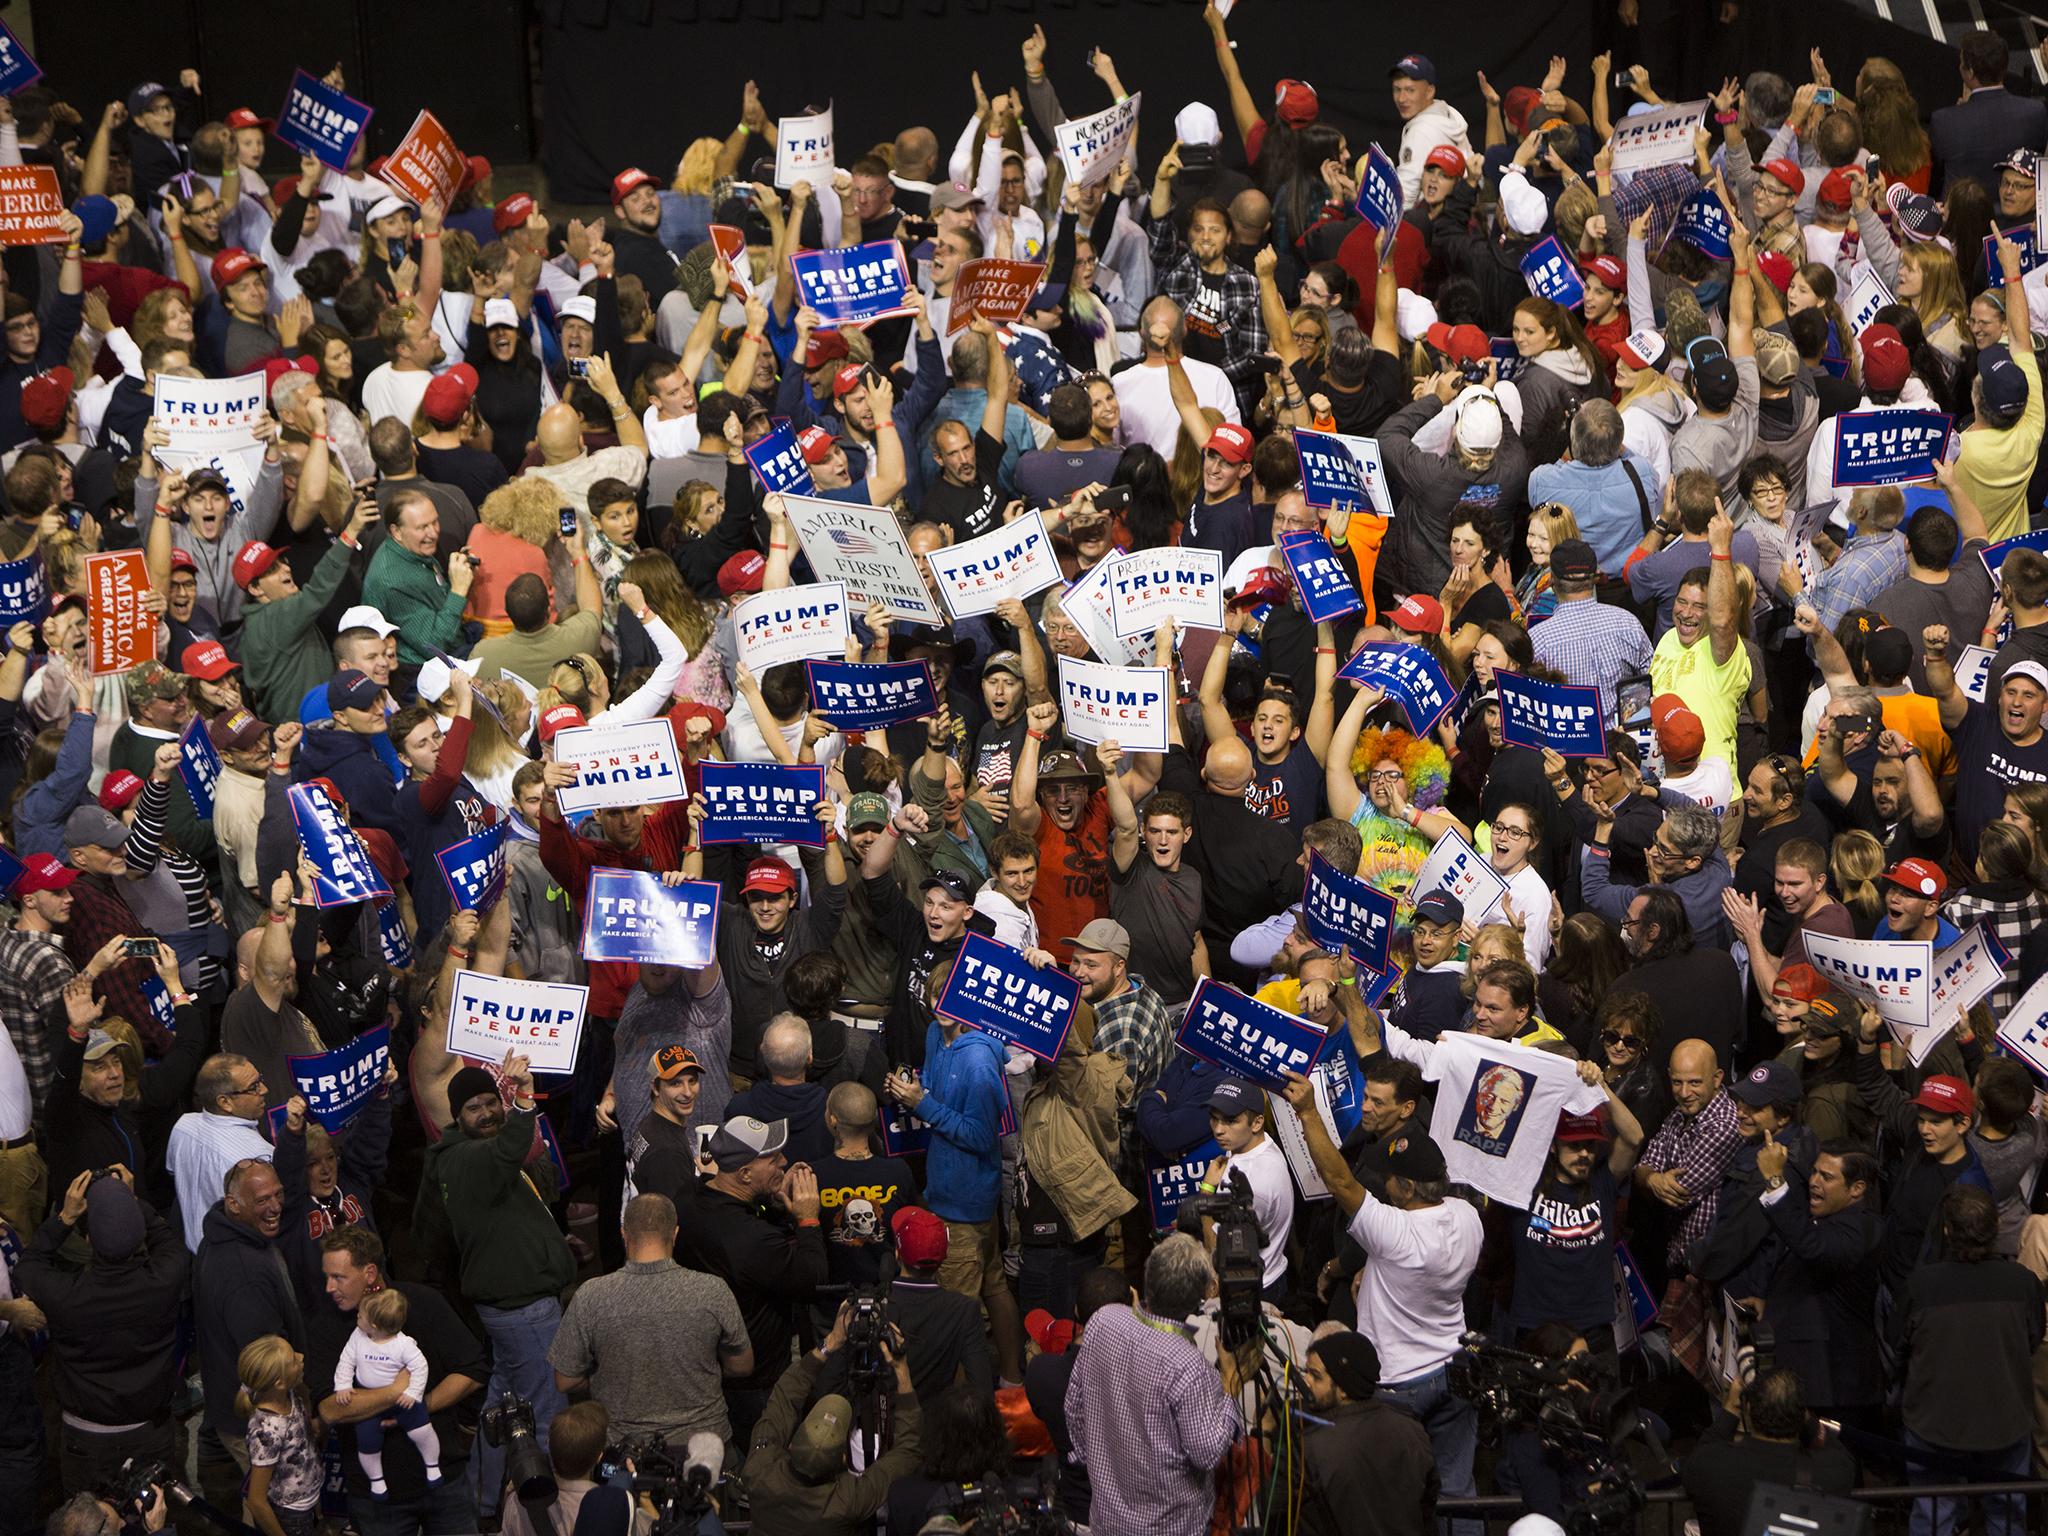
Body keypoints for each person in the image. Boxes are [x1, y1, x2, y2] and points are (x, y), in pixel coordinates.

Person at [1281, 1065, 1484, 1511]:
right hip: (1454, 1369)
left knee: (1394, 1496)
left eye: (1390, 1177)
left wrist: (1309, 1113)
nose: (1383, 1183)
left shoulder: (1395, 1233)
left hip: (1399, 1384)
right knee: (1457, 1494)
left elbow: (1339, 1181)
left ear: (1407, 1187)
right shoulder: (1467, 1218)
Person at [416, 1057, 572, 1512]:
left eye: (491, 1102)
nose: (485, 1112)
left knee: (502, 1411)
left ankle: (482, 1503)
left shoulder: (461, 1155)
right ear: (455, 1117)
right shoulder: (467, 1157)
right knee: (543, 1414)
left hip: (512, 1308)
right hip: (523, 1310)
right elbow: (509, 1149)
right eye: (473, 1108)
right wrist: (523, 1101)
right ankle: (543, 1513)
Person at [307, 1227, 487, 1536]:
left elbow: (473, 1370)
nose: (328, 1288)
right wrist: (395, 1392)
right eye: (327, 1276)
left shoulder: (423, 1302)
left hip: (445, 1480)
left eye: (339, 1277)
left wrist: (421, 1404)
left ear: (370, 1273)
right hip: (377, 1498)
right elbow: (330, 1410)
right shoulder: (326, 1326)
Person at [18, 1169, 188, 1493]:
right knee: (155, 1522)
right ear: (140, 1236)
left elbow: (29, 1266)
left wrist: (64, 1217)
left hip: (86, 1442)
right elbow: (168, 1241)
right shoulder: (166, 1278)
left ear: (88, 1240)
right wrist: (133, 1201)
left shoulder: (66, 1296)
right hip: (151, 1434)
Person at [1064, 1234, 1245, 1536]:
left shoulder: (1103, 1320)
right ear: (1199, 1299)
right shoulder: (1187, 1364)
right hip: (1169, 1527)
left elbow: (1074, 1409)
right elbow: (1209, 1453)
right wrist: (1229, 1385)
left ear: (1146, 1281)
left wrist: (1099, 1463)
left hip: (1107, 1521)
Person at [550, 1193, 753, 1448]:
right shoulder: (712, 1290)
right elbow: (742, 1365)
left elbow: (565, 1380)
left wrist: (608, 1378)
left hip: (624, 1449)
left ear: (624, 1233)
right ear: (675, 1233)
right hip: (705, 1447)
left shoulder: (591, 1296)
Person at [1897, 1185, 2044, 1536]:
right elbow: (2032, 1339)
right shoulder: (2023, 1283)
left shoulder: (1921, 1284)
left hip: (1934, 1422)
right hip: (2005, 1420)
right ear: (1995, 1227)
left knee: (1935, 1514)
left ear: (1947, 1230)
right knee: (2006, 1515)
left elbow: (1899, 1345)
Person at [675, 1115, 827, 1450]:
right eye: (773, 1158)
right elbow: (812, 1276)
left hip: (711, 1361)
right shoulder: (753, 1240)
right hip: (759, 1380)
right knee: (764, 1461)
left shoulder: (687, 1201)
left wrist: (771, 1203)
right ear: (744, 1173)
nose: (784, 1161)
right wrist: (808, 1217)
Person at [740, 1301, 924, 1536]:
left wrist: (831, 1342)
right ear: (844, 1460)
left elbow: (785, 1396)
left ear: (792, 1444)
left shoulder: (759, 1471)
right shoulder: (847, 1501)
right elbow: (909, 1450)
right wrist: (901, 1370)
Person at [192, 1160, 301, 1493]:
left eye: (278, 1195)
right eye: (262, 1200)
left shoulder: (224, 1235)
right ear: (234, 1204)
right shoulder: (244, 1274)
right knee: (277, 1507)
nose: (275, 1207)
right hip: (257, 1422)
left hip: (227, 1404)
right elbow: (269, 1368)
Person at [1679, 1367, 1858, 1536]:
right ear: (1801, 1415)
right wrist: (1808, 1420)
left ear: (1748, 1409)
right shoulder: (1834, 1471)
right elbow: (1837, 1451)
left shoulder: (1711, 1466)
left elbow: (1702, 1453)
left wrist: (1731, 1409)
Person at [1296, 1330, 1439, 1536]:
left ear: (1344, 1388)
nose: (1306, 1381)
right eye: (1306, 1371)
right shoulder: (1413, 1431)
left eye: (1316, 1376)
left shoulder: (1309, 1447)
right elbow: (1428, 1504)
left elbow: (1278, 1514)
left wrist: (1265, 1430)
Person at [332, 1287, 443, 1497]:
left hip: (403, 1399)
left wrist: (413, 1392)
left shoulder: (404, 1345)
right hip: (369, 1400)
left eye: (361, 1315)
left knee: (422, 1430)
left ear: (373, 1325)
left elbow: (420, 1367)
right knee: (367, 1440)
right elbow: (346, 1360)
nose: (357, 1316)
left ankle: (432, 1466)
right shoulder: (358, 1336)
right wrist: (343, 1385)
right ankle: (377, 1480)